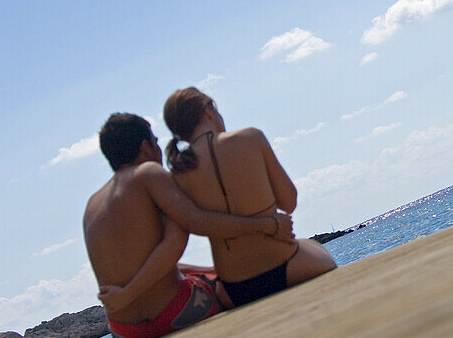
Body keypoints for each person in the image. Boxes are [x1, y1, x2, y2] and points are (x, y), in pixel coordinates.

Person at [100, 88, 336, 311]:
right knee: (314, 247)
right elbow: (289, 201)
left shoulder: (178, 172)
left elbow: (191, 227)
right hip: (287, 267)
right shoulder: (251, 137)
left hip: (234, 290)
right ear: (208, 111)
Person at [83, 112, 294, 338]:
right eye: (155, 142)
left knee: (207, 274)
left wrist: (124, 296)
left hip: (124, 333)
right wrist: (267, 225)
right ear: (145, 147)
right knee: (234, 285)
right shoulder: (148, 173)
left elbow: (141, 264)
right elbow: (187, 230)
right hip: (176, 312)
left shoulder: (92, 204)